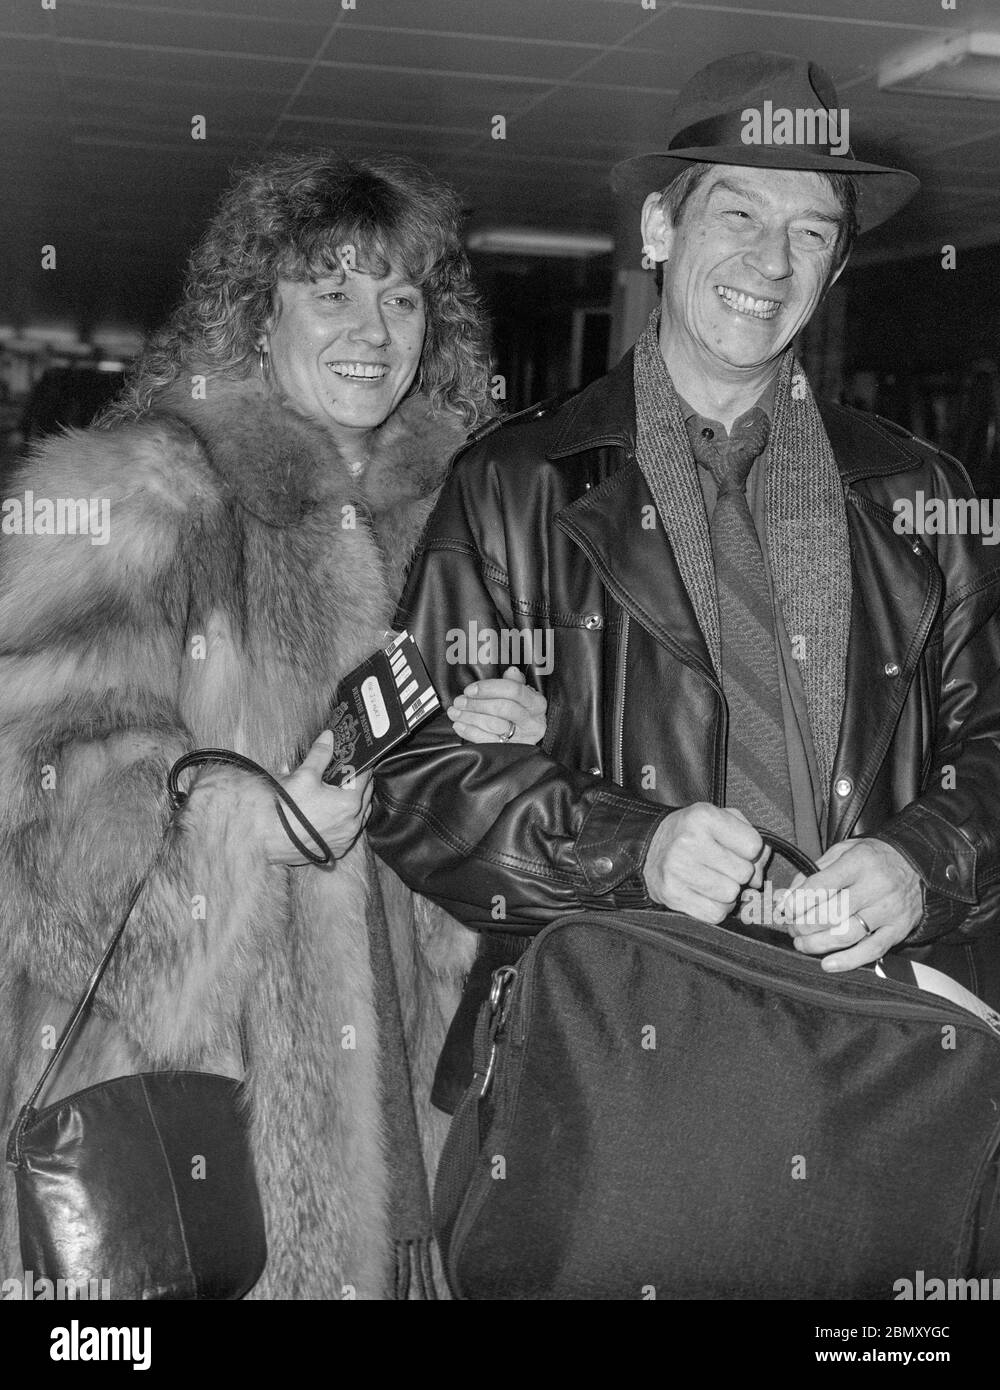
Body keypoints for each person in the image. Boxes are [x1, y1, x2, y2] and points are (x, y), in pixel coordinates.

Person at [370, 52, 1000, 1114]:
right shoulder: (514, 483)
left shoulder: (917, 493)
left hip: (874, 1058)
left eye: (811, 231)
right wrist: (635, 850)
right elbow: (415, 777)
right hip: (612, 1056)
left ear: (836, 268)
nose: (772, 258)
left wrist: (921, 862)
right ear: (661, 233)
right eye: (738, 212)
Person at [0, 150, 545, 1299]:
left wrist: (501, 743)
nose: (373, 326)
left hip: (410, 1072)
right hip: (203, 1091)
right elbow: (30, 783)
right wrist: (240, 814)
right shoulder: (143, 493)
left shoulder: (457, 513)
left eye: (401, 296)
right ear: (255, 312)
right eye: (330, 288)